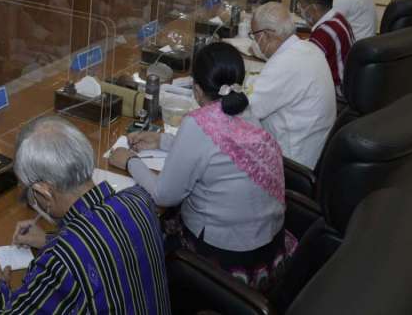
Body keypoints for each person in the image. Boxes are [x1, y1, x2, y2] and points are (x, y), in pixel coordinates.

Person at [110, 42, 293, 291]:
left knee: (144, 229)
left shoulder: (198, 123)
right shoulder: (245, 110)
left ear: (196, 90)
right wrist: (162, 141)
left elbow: (163, 195)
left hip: (225, 260)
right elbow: (220, 147)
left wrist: (129, 161)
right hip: (268, 249)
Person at [0, 116, 171, 315]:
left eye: (31, 193)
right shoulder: (140, 199)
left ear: (45, 192)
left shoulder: (61, 262)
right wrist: (50, 239)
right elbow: (107, 241)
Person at [248, 3, 336, 168]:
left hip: (290, 162)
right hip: (313, 151)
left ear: (266, 35)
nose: (255, 43)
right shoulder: (309, 48)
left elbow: (247, 111)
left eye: (254, 36)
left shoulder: (283, 64)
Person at [299, 0, 355, 98]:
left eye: (302, 5)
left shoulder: (323, 33)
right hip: (349, 86)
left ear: (314, 8)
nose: (300, 9)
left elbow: (306, 70)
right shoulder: (338, 18)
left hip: (336, 94)